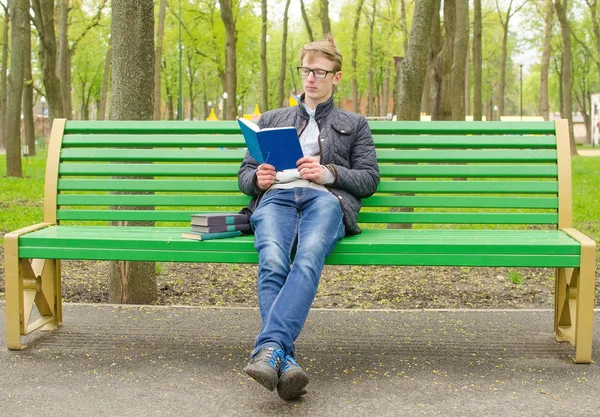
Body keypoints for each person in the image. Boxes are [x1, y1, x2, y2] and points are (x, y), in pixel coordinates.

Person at [238, 37, 380, 400]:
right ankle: (285, 365)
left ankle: (269, 349)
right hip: (277, 199)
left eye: (320, 72)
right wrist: (258, 178)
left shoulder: (354, 123)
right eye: (306, 70)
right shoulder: (272, 119)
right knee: (271, 258)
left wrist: (328, 172)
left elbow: (369, 179)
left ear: (336, 77)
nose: (311, 79)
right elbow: (244, 174)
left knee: (309, 254)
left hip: (324, 200)